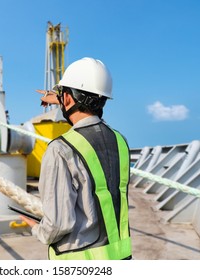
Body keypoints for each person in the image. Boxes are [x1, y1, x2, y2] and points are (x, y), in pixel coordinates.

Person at [20, 57, 132, 260]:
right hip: (120, 256)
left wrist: (38, 229)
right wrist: (65, 97)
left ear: (69, 99)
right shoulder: (120, 142)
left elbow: (57, 225)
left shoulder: (60, 150)